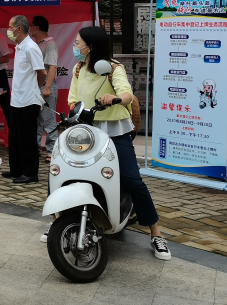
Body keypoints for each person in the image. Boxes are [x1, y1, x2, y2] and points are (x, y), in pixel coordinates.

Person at [63, 26, 171, 260]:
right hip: (87, 131)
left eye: (78, 42)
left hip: (115, 132)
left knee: (133, 180)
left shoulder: (113, 68)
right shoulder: (79, 68)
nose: (75, 46)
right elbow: (73, 99)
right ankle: (58, 223)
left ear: (90, 47)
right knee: (66, 173)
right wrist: (74, 110)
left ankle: (155, 233)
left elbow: (128, 94)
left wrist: (115, 98)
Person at [2, 15, 46, 184]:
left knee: (27, 138)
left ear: (18, 29)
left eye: (10, 27)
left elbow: (41, 73)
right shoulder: (19, 47)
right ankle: (17, 169)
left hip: (28, 100)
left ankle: (30, 173)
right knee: (15, 137)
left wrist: (35, 89)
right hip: (17, 100)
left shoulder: (30, 47)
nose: (8, 30)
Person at [30, 16, 59, 161]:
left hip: (46, 87)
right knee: (36, 121)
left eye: (31, 26)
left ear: (37, 27)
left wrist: (47, 87)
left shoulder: (49, 44)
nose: (29, 29)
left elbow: (52, 66)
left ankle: (52, 151)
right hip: (35, 87)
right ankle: (35, 150)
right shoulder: (37, 44)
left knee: (48, 120)